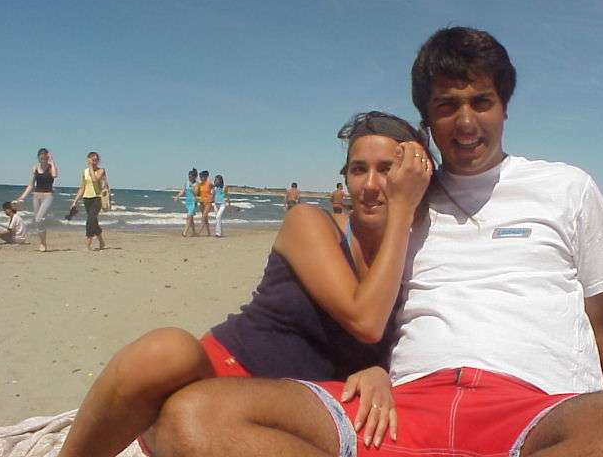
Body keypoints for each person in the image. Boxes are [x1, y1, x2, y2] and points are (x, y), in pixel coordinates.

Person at [141, 27, 603, 457]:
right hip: (405, 409)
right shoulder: (406, 206)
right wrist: (373, 370)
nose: (466, 122)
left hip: (537, 411)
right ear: (428, 122)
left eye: (481, 102)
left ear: (504, 107)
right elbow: (366, 310)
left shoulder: (566, 187)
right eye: (447, 106)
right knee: (194, 417)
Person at [57, 111, 433, 457]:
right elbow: (364, 319)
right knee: (166, 350)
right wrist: (402, 208)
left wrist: (381, 370)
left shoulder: (428, 258)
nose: (370, 185)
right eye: (358, 169)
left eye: (387, 169)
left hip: (283, 416)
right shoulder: (309, 223)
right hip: (214, 378)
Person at [13, 148, 58, 252]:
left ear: (47, 157)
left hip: (48, 196)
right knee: (37, 221)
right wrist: (22, 197)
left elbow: (55, 175)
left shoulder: (51, 167)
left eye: (45, 158)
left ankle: (43, 243)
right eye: (41, 158)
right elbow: (31, 185)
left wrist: (52, 161)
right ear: (38, 158)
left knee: (39, 219)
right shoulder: (35, 168)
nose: (43, 160)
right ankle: (43, 243)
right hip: (36, 196)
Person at [70, 151, 108, 250]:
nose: (94, 162)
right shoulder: (85, 172)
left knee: (90, 219)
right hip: (86, 198)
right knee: (93, 221)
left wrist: (91, 167)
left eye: (96, 160)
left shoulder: (101, 170)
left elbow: (95, 179)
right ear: (88, 160)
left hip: (97, 198)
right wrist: (75, 201)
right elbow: (82, 187)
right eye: (92, 160)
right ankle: (102, 242)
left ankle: (88, 243)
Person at [173, 168, 199, 237]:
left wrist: (192, 188)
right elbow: (183, 191)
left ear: (194, 177)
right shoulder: (186, 183)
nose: (189, 178)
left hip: (193, 202)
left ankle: (185, 232)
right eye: (189, 176)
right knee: (191, 219)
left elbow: (196, 193)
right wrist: (177, 196)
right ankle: (194, 232)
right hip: (188, 202)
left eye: (190, 177)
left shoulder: (196, 184)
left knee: (189, 217)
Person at [197, 170, 214, 236]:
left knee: (204, 216)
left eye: (202, 176)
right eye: (200, 176)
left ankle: (199, 232)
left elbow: (215, 190)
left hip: (208, 202)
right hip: (201, 202)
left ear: (206, 176)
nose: (200, 178)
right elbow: (198, 193)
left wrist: (212, 197)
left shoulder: (209, 183)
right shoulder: (200, 184)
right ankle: (209, 233)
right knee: (205, 218)